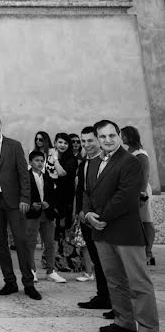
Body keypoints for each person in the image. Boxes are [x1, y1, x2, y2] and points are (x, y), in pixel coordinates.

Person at [83, 119, 159, 332]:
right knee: (115, 282)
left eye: (112, 135)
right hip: (101, 232)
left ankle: (148, 328)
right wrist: (88, 213)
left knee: (139, 284)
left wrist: (101, 218)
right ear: (98, 139)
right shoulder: (94, 162)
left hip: (125, 232)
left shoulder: (130, 162)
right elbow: (87, 192)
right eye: (103, 136)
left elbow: (125, 197)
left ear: (119, 137)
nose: (107, 140)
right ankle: (124, 323)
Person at [0, 112, 41, 300]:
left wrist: (25, 199)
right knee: (0, 244)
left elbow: (24, 175)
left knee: (21, 241)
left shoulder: (14, 145)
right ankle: (9, 281)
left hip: (15, 203)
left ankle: (28, 283)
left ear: (1, 124)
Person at [76, 126, 112, 311]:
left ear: (98, 140)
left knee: (109, 263)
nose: (86, 144)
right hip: (86, 219)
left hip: (102, 219)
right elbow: (82, 190)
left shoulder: (106, 162)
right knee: (97, 260)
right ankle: (102, 296)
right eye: (83, 141)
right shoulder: (84, 163)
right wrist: (80, 211)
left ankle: (116, 302)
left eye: (90, 140)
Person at [25, 150, 66, 283]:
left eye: (42, 161)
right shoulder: (25, 177)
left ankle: (51, 271)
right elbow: (21, 195)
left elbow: (54, 195)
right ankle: (32, 270)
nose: (40, 163)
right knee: (31, 243)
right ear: (30, 162)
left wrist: (50, 204)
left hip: (47, 214)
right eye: (36, 160)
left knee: (50, 243)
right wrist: (31, 205)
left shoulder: (47, 176)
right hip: (32, 214)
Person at [122, 125, 156, 265]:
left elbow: (145, 174)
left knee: (146, 221)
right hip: (130, 190)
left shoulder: (140, 153)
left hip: (140, 190)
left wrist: (142, 194)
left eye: (123, 135)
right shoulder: (129, 151)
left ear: (130, 136)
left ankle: (148, 253)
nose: (121, 137)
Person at [51, 132, 80, 273]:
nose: (62, 145)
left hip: (66, 201)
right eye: (60, 142)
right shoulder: (51, 158)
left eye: (65, 143)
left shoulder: (71, 159)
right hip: (53, 200)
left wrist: (55, 159)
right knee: (55, 232)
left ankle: (68, 262)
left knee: (65, 231)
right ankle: (53, 262)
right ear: (55, 143)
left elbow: (62, 173)